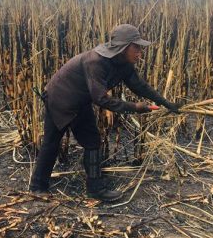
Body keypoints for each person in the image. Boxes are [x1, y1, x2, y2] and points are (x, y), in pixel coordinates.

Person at [29, 24, 181, 201]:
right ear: (123, 47)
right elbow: (100, 98)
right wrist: (135, 108)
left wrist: (165, 103)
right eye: (136, 47)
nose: (140, 52)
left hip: (80, 101)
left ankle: (95, 189)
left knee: (92, 141)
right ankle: (38, 187)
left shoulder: (124, 63)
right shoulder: (96, 62)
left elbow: (139, 86)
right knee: (52, 141)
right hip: (60, 99)